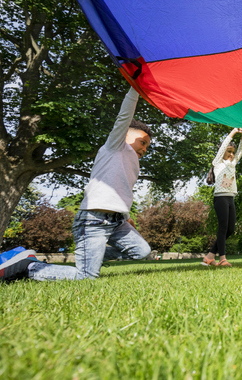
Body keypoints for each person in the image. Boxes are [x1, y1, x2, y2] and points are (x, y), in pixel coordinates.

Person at [1, 88, 152, 282]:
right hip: (93, 220)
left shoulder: (132, 163)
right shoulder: (115, 146)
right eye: (142, 142)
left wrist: (126, 216)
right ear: (124, 135)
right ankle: (29, 267)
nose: (145, 148)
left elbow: (120, 190)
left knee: (142, 251)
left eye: (148, 145)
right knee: (86, 277)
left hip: (116, 222)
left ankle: (90, 257)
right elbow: (125, 115)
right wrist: (135, 89)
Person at [202, 128, 242, 267]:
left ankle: (209, 256)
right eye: (229, 152)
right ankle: (222, 258)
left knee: (231, 229)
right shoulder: (218, 163)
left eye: (233, 153)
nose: (232, 155)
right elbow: (223, 146)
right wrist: (234, 132)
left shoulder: (232, 164)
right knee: (223, 227)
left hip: (230, 198)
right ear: (223, 153)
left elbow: (241, 151)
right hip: (220, 198)